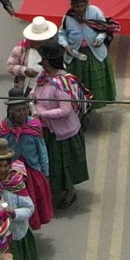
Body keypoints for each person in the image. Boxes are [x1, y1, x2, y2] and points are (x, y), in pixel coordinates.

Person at [32, 46, 89, 208]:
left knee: (65, 164)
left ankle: (70, 192)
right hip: (47, 130)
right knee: (49, 163)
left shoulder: (61, 84)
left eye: (43, 59)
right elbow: (36, 91)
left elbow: (65, 110)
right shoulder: (43, 77)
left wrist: (42, 113)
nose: (41, 62)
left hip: (64, 133)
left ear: (49, 61)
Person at [0, 92, 54, 225]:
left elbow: (42, 150)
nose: (22, 113)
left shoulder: (34, 125)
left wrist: (45, 173)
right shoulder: (4, 128)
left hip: (32, 171)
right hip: (11, 173)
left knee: (32, 202)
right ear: (11, 112)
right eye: (18, 110)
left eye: (24, 109)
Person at [61, 0, 117, 114]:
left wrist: (100, 38)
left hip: (94, 54)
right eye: (76, 6)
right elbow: (62, 33)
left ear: (86, 3)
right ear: (72, 5)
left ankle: (91, 107)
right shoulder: (68, 17)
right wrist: (66, 45)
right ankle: (80, 108)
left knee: (95, 81)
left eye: (82, 5)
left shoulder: (95, 12)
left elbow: (104, 28)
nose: (79, 9)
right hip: (76, 55)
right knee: (77, 84)